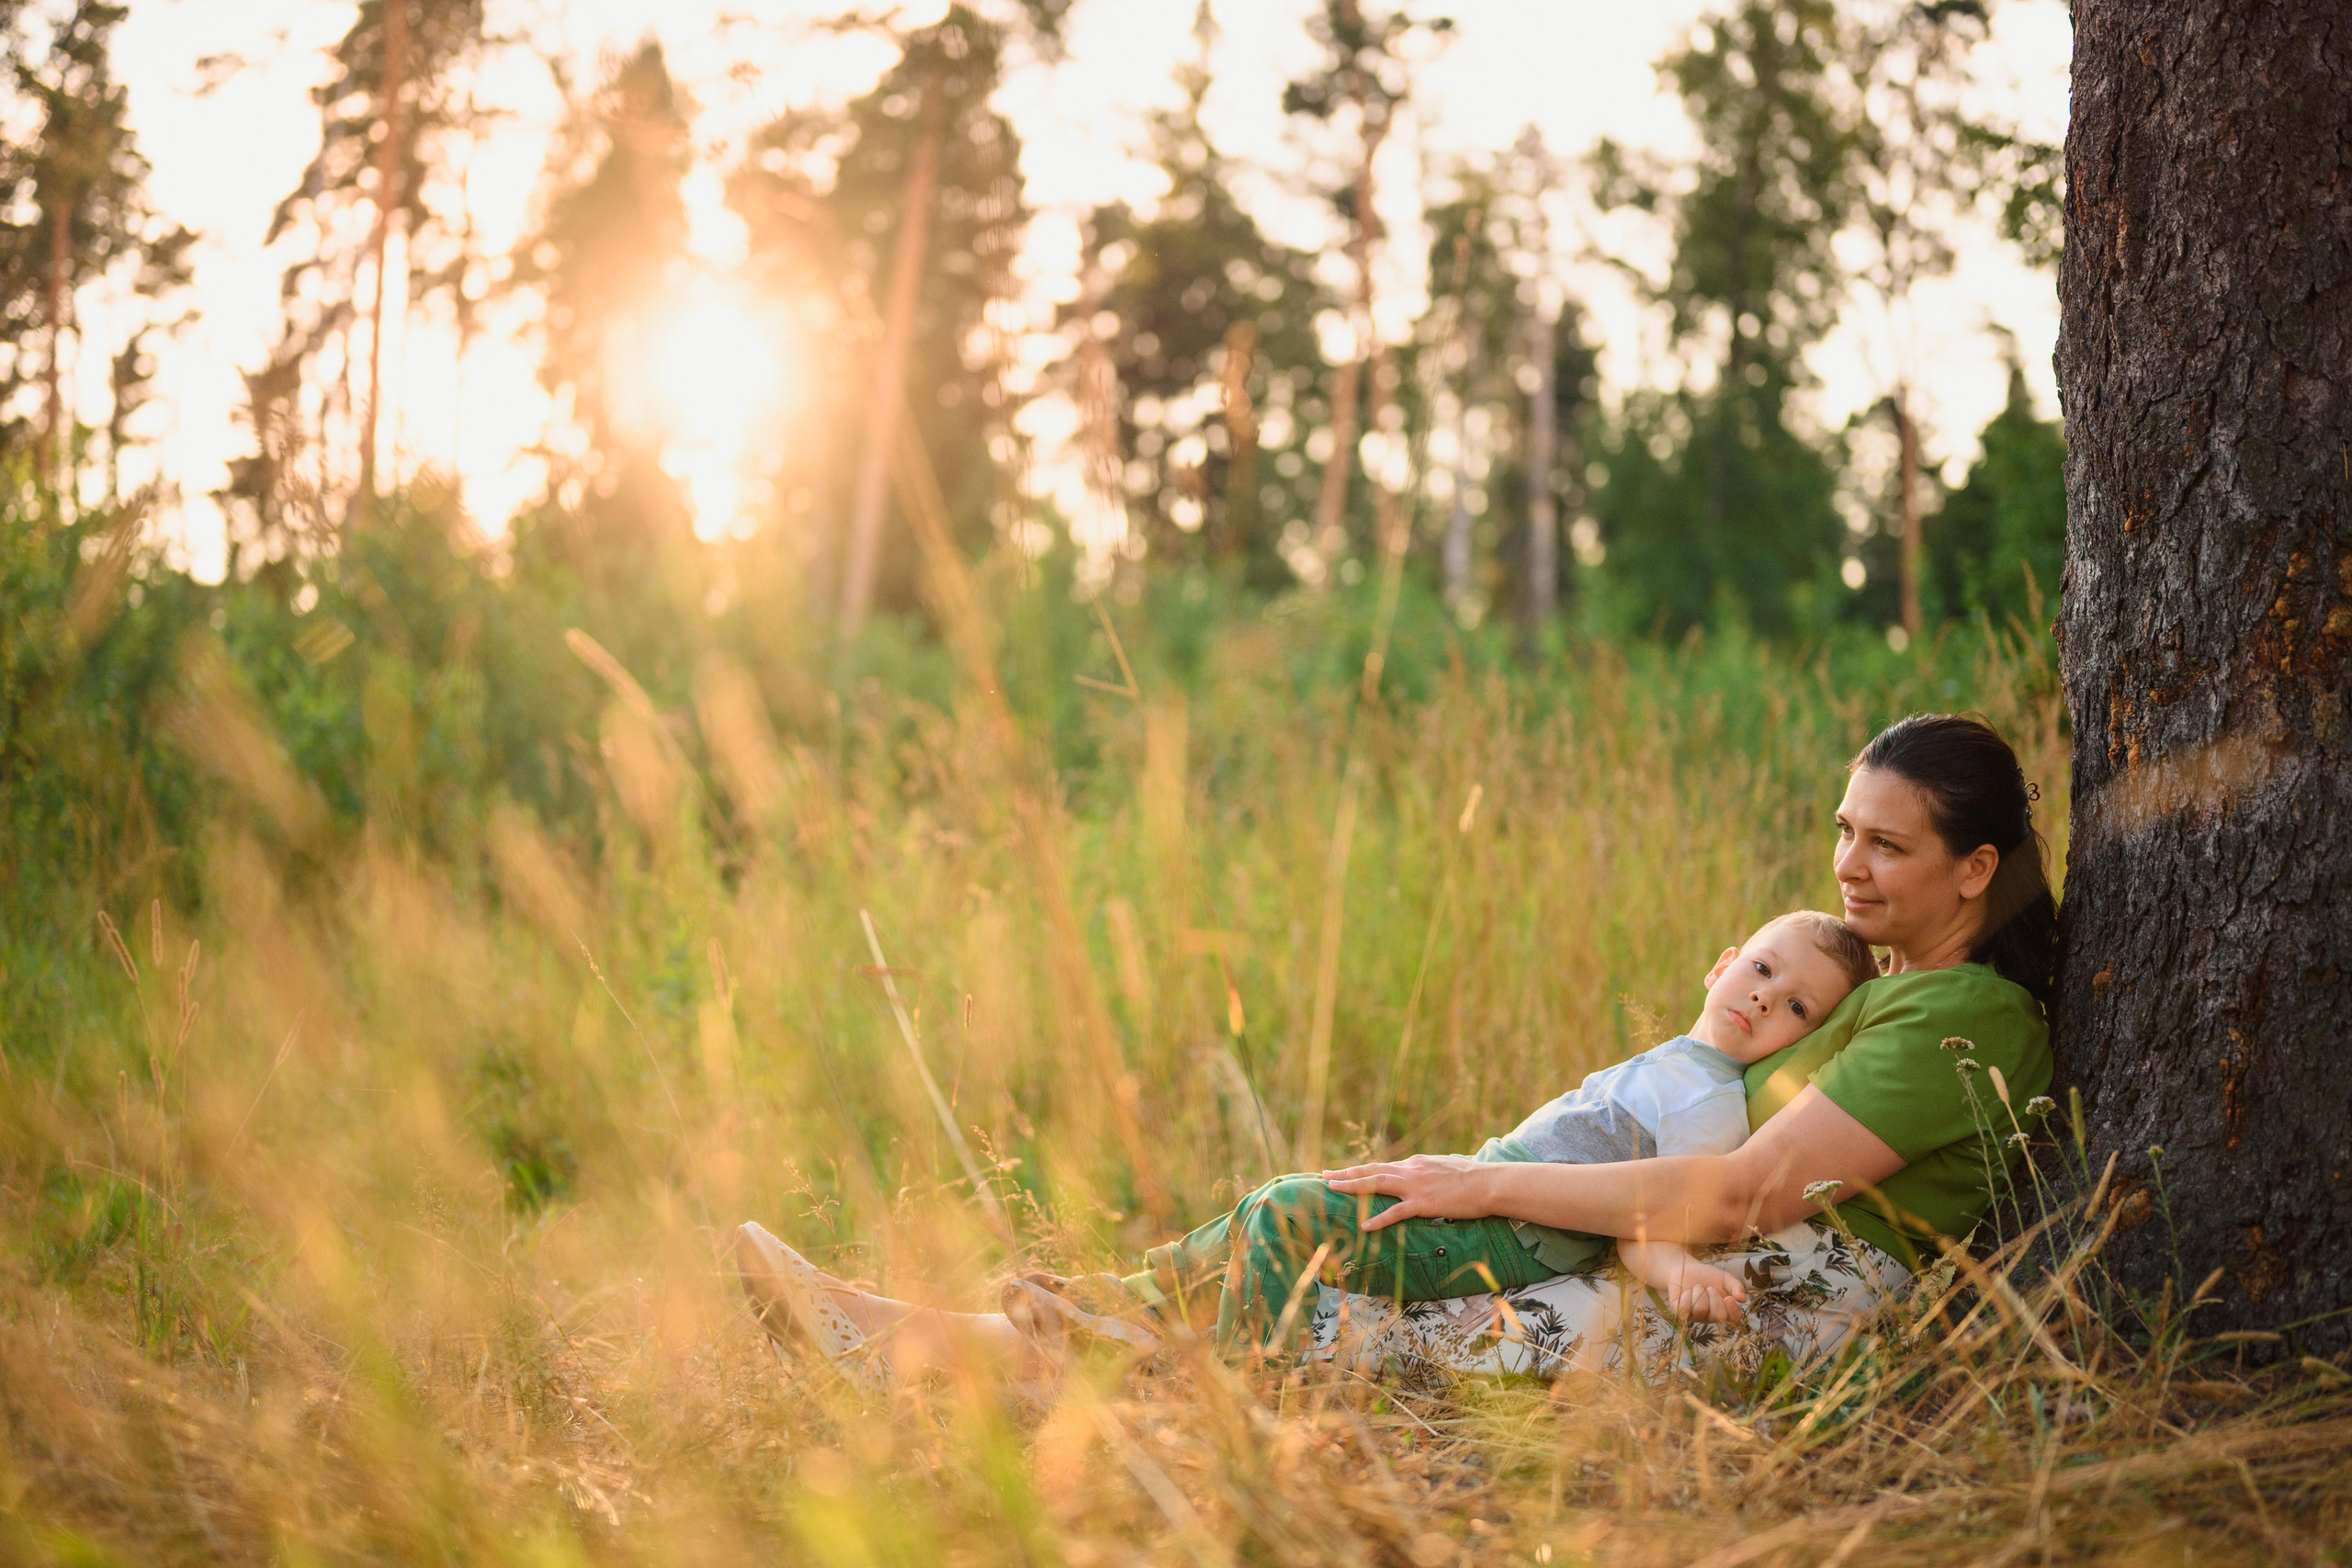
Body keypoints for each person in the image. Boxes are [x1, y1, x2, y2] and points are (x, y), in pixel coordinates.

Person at [740, 712, 2055, 1389]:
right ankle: (925, 1341)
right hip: (1652, 1262)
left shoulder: (1965, 1016)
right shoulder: (1875, 984)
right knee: (1298, 1267)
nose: (1848, 865)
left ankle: (932, 1347)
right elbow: (1698, 1157)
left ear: (1974, 869)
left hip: (1758, 1311)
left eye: (1887, 846)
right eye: (1844, 831)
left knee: (1322, 1300)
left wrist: (1485, 1182)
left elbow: (1754, 1195)